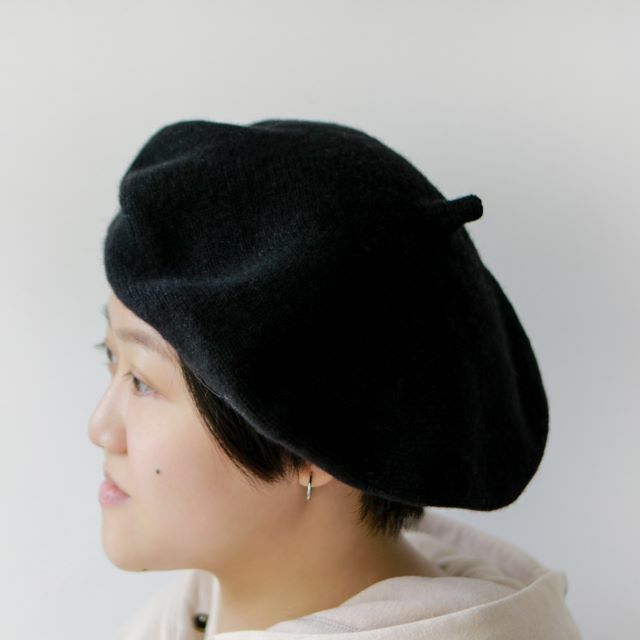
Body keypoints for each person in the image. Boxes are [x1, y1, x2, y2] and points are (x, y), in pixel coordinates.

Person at [88, 117, 583, 638]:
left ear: (306, 447)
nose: (100, 427)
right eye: (109, 358)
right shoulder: (177, 618)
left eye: (142, 382)